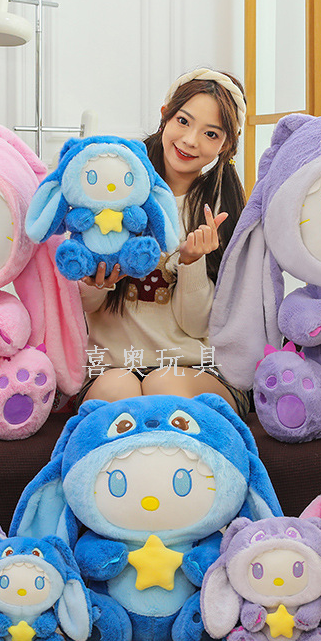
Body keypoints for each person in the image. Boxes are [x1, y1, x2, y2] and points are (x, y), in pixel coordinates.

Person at [76, 68, 251, 415]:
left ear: (226, 144)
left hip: (194, 368)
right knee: (118, 391)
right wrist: (97, 282)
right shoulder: (114, 187)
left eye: (211, 133)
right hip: (113, 366)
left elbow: (197, 326)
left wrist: (191, 262)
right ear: (165, 115)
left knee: (164, 385)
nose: (190, 140)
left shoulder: (222, 211)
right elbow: (85, 305)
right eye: (183, 121)